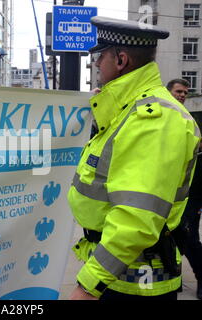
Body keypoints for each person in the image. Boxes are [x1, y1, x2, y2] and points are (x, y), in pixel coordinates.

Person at [68, 16, 201, 300]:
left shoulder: (154, 119)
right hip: (120, 274)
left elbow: (136, 218)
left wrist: (88, 285)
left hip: (132, 283)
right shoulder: (130, 108)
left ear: (120, 60)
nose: (95, 63)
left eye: (100, 55)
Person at [167, 78, 202, 300]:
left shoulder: (189, 121)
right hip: (165, 194)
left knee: (189, 239)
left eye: (185, 92)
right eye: (179, 91)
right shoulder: (161, 118)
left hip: (191, 194)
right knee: (169, 240)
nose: (182, 95)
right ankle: (174, 279)